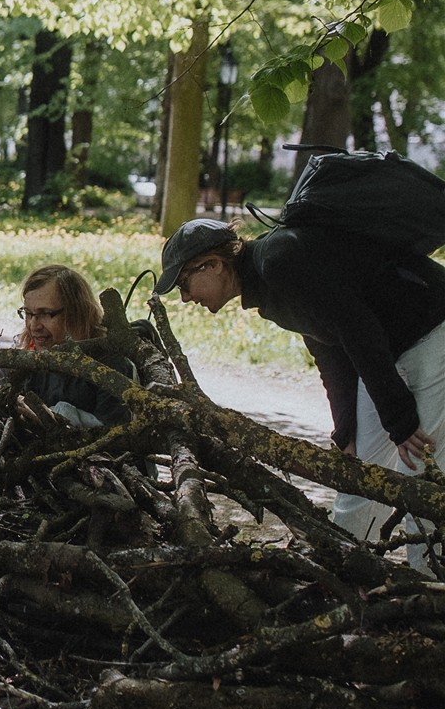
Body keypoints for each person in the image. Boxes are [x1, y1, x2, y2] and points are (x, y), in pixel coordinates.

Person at [163, 216, 445, 573]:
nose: (187, 298)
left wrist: (400, 421)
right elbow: (330, 349)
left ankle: (429, 586)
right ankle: (344, 573)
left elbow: (358, 329)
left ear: (215, 265)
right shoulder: (269, 280)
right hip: (395, 349)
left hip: (433, 328)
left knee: (423, 468)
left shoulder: (280, 260)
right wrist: (347, 431)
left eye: (185, 283)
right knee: (360, 475)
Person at [13, 263, 136, 428]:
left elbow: (115, 436)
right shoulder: (32, 356)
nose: (34, 326)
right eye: (28, 313)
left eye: (45, 314)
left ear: (76, 312)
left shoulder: (111, 364)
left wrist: (57, 417)